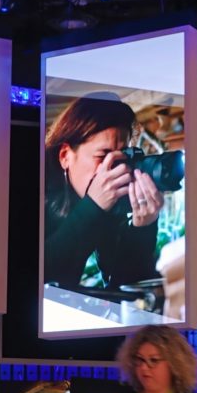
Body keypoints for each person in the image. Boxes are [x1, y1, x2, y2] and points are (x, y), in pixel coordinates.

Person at [43, 93, 162, 292]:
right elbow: (40, 279)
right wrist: (93, 207)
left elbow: (123, 289)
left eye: (121, 156)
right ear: (65, 156)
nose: (112, 169)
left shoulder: (111, 201)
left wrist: (142, 228)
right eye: (103, 156)